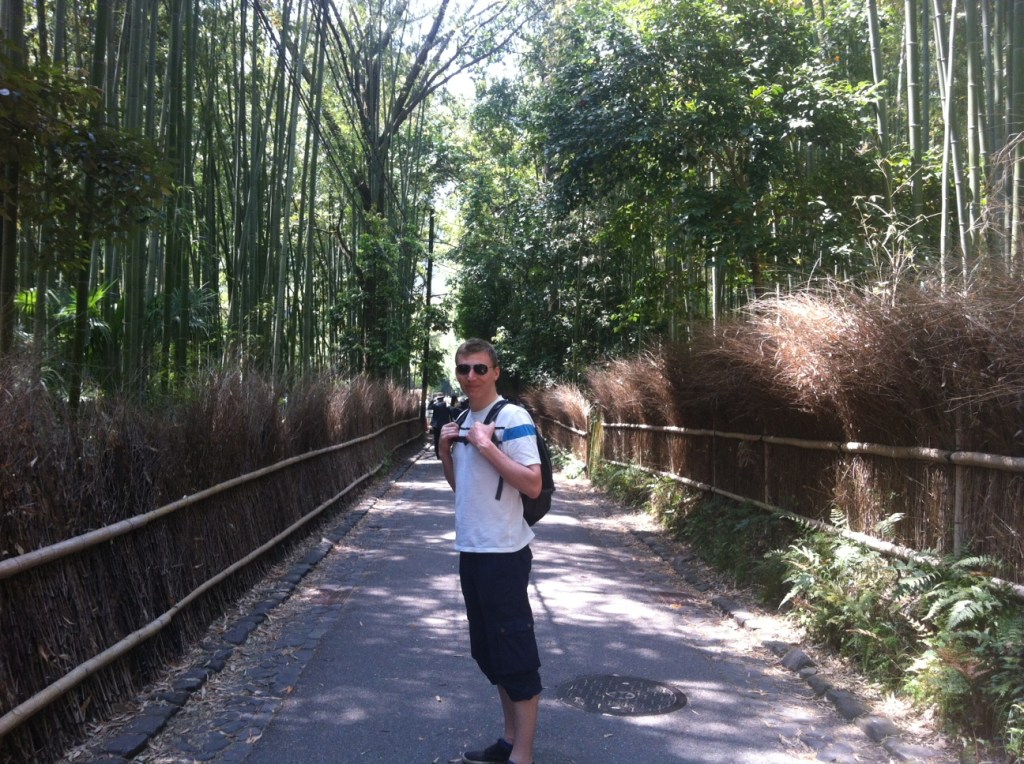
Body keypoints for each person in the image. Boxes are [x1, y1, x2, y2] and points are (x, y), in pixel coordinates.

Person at [438, 339, 543, 764]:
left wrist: (486, 446)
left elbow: (532, 483)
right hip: (472, 549)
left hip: (504, 552)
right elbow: (462, 489)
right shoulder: (463, 419)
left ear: (496, 372)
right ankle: (509, 740)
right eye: (464, 369)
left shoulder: (512, 417)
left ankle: (523, 754)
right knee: (490, 651)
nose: (471, 377)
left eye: (480, 368)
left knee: (515, 652)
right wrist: (445, 451)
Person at [429, 393, 452, 458]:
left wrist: (432, 401)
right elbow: (450, 414)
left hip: (436, 425)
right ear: (443, 399)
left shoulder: (435, 405)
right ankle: (444, 454)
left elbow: (429, 407)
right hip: (444, 425)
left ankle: (437, 454)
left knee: (436, 440)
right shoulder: (446, 405)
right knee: (444, 439)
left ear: (438, 399)